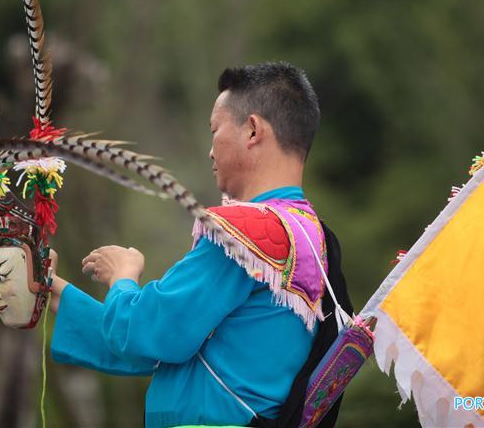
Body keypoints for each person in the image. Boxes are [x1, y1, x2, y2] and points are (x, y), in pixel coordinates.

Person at [49, 62, 352, 427]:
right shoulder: (312, 236)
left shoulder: (248, 231)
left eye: (215, 130)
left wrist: (123, 276)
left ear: (253, 130)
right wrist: (51, 291)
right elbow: (167, 347)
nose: (210, 151)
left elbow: (151, 333)